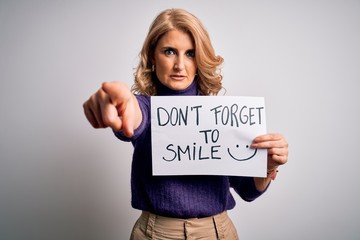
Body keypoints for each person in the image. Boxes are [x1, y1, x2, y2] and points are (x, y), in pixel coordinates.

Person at [83, 8, 288, 240]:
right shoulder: (146, 108)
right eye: (169, 51)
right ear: (152, 56)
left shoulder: (221, 115)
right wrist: (119, 100)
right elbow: (132, 116)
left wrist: (266, 166)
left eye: (190, 54)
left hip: (216, 232)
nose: (180, 65)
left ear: (200, 58)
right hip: (156, 234)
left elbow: (248, 191)